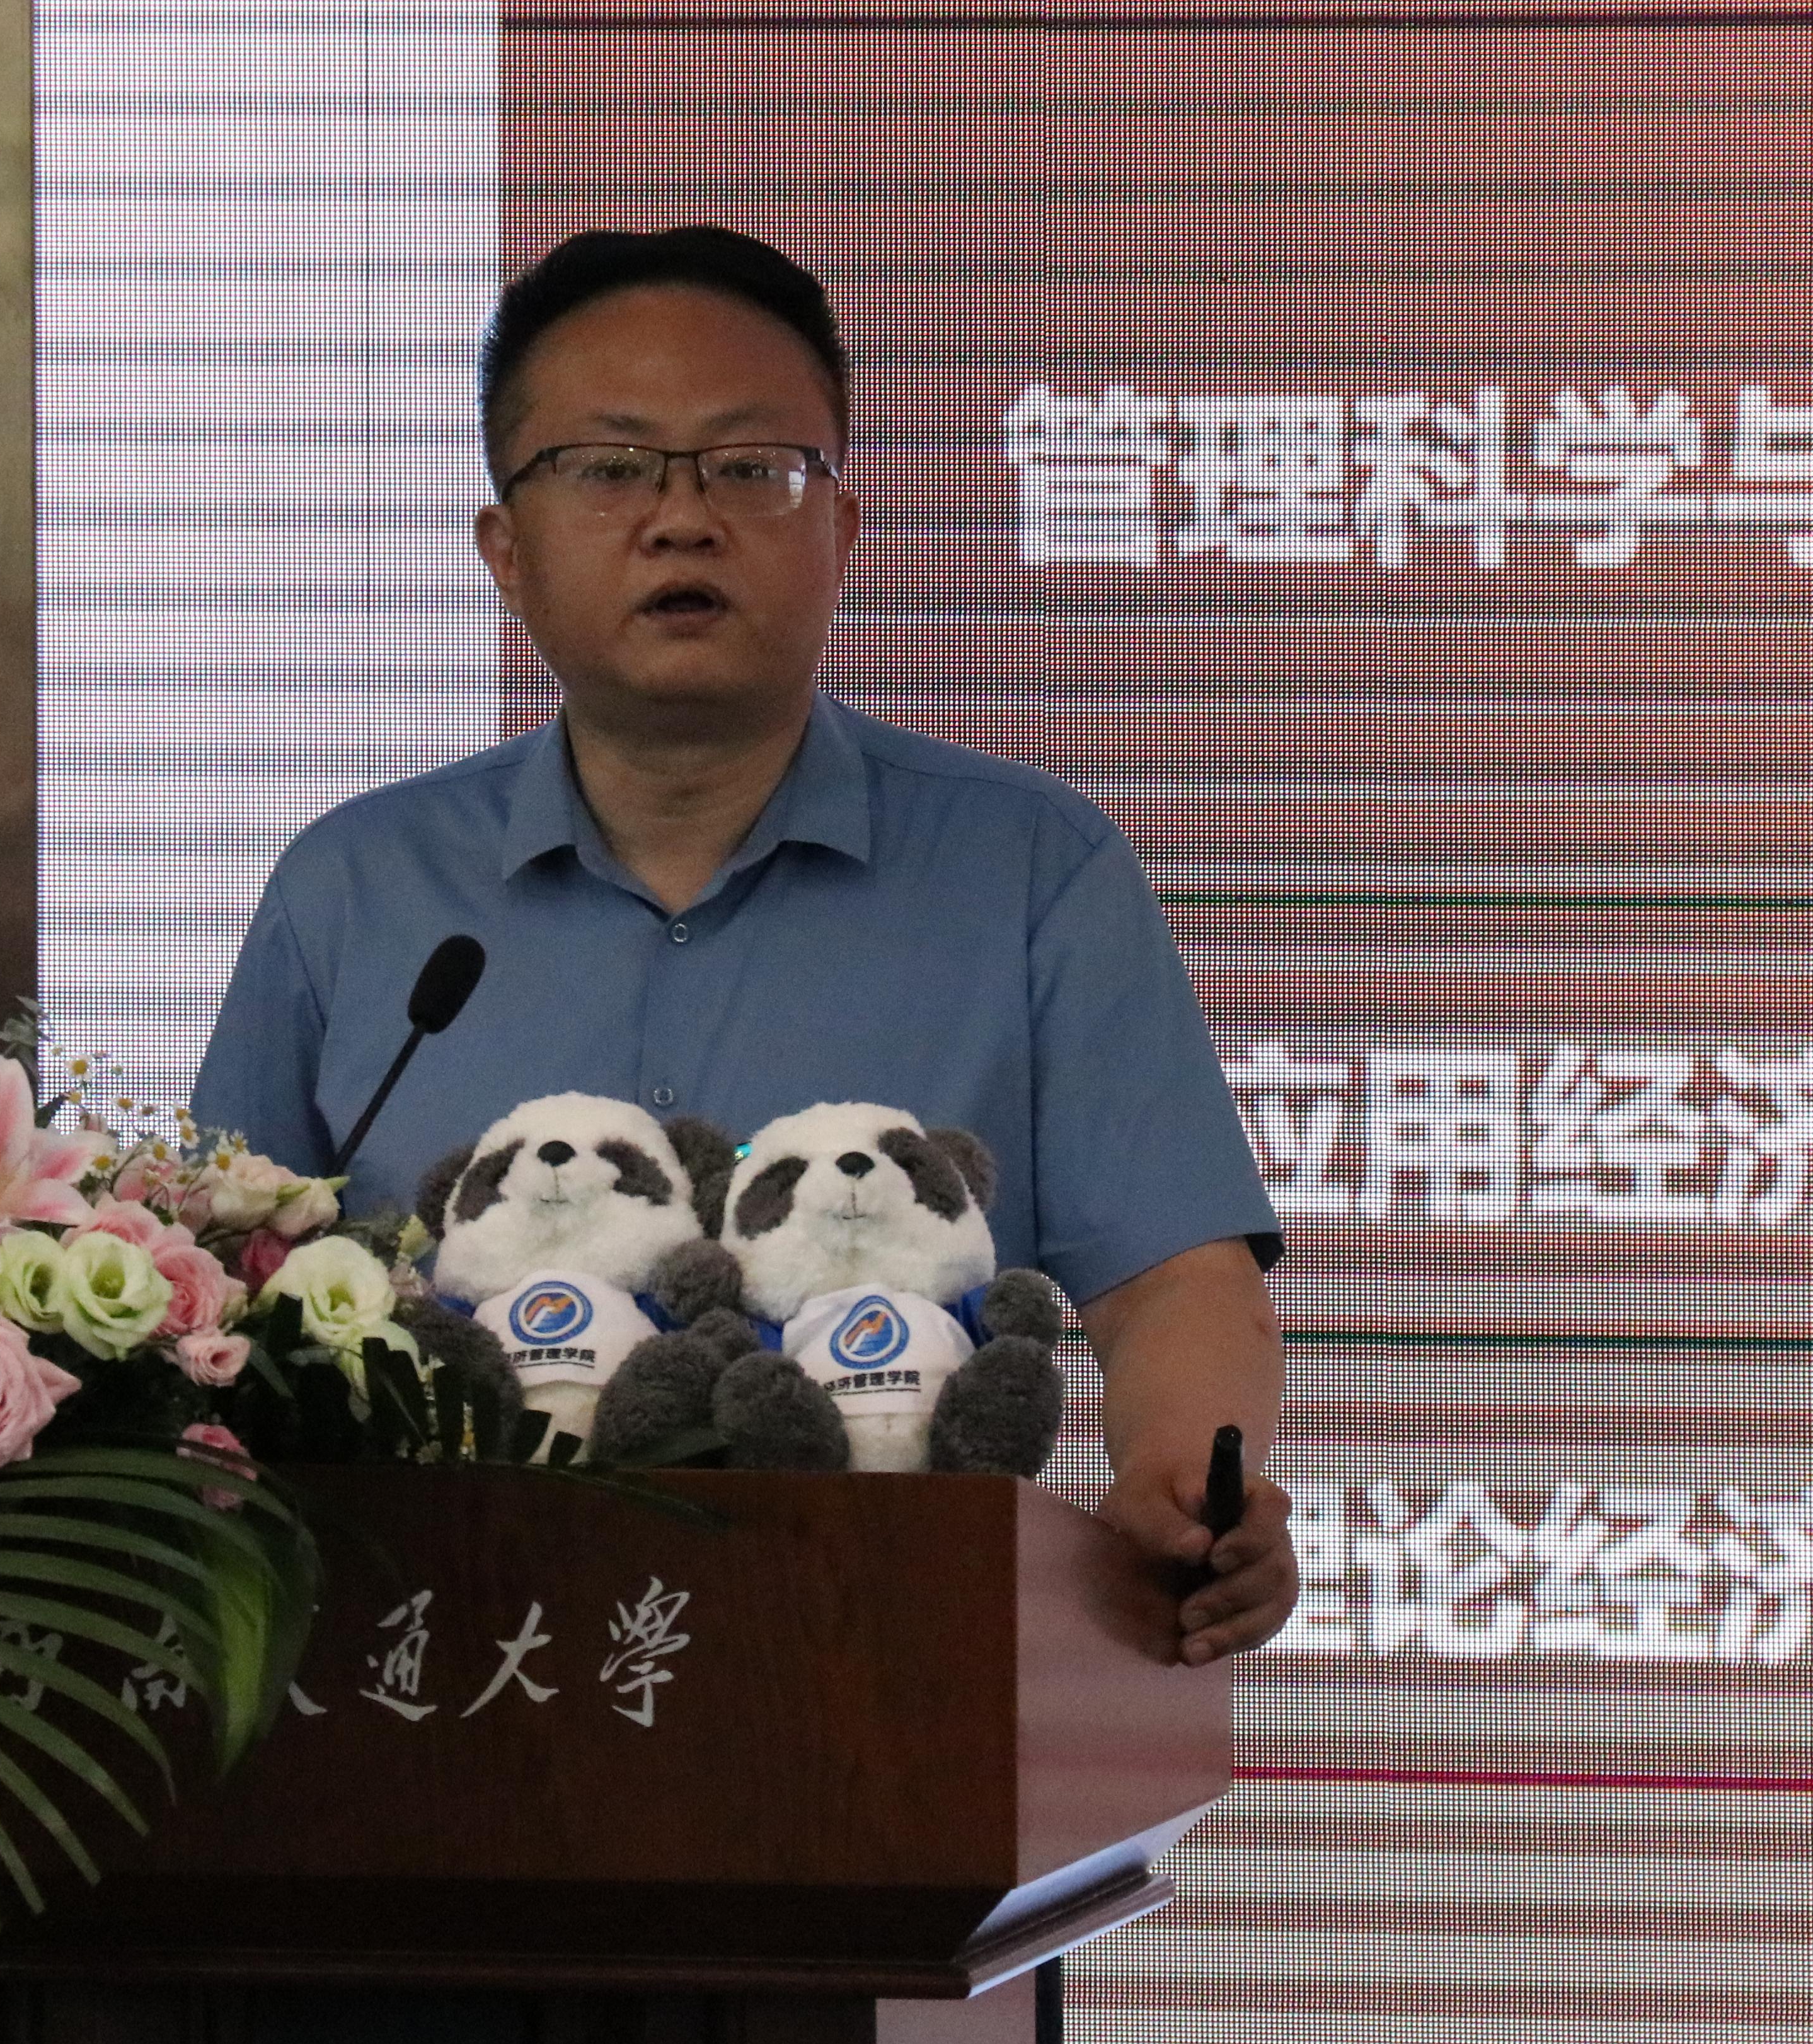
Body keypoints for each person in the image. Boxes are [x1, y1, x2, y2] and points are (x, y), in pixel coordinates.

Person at [191, 225, 1299, 1665]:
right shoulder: (357, 889)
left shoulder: (1032, 871)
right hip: (442, 1672)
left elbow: (1173, 1280)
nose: (681, 518)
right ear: (506, 552)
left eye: (750, 467)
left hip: (886, 1674)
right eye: (610, 466)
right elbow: (209, 1302)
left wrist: (1186, 1479)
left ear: (843, 532)